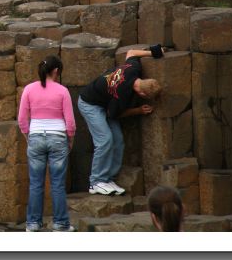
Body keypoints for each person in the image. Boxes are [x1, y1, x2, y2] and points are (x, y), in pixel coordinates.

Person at [77, 44, 164, 196]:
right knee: (105, 139)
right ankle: (96, 182)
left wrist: (154, 52)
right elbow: (115, 115)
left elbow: (131, 52)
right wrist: (138, 110)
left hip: (105, 104)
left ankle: (108, 178)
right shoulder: (122, 94)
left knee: (117, 140)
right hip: (89, 103)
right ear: (142, 94)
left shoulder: (133, 69)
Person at [17, 55, 77, 232]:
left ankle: (33, 223)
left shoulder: (29, 89)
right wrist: (70, 138)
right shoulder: (62, 91)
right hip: (58, 137)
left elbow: (22, 119)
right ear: (56, 71)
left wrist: (28, 136)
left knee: (36, 183)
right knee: (57, 183)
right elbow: (70, 121)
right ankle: (60, 224)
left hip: (35, 136)